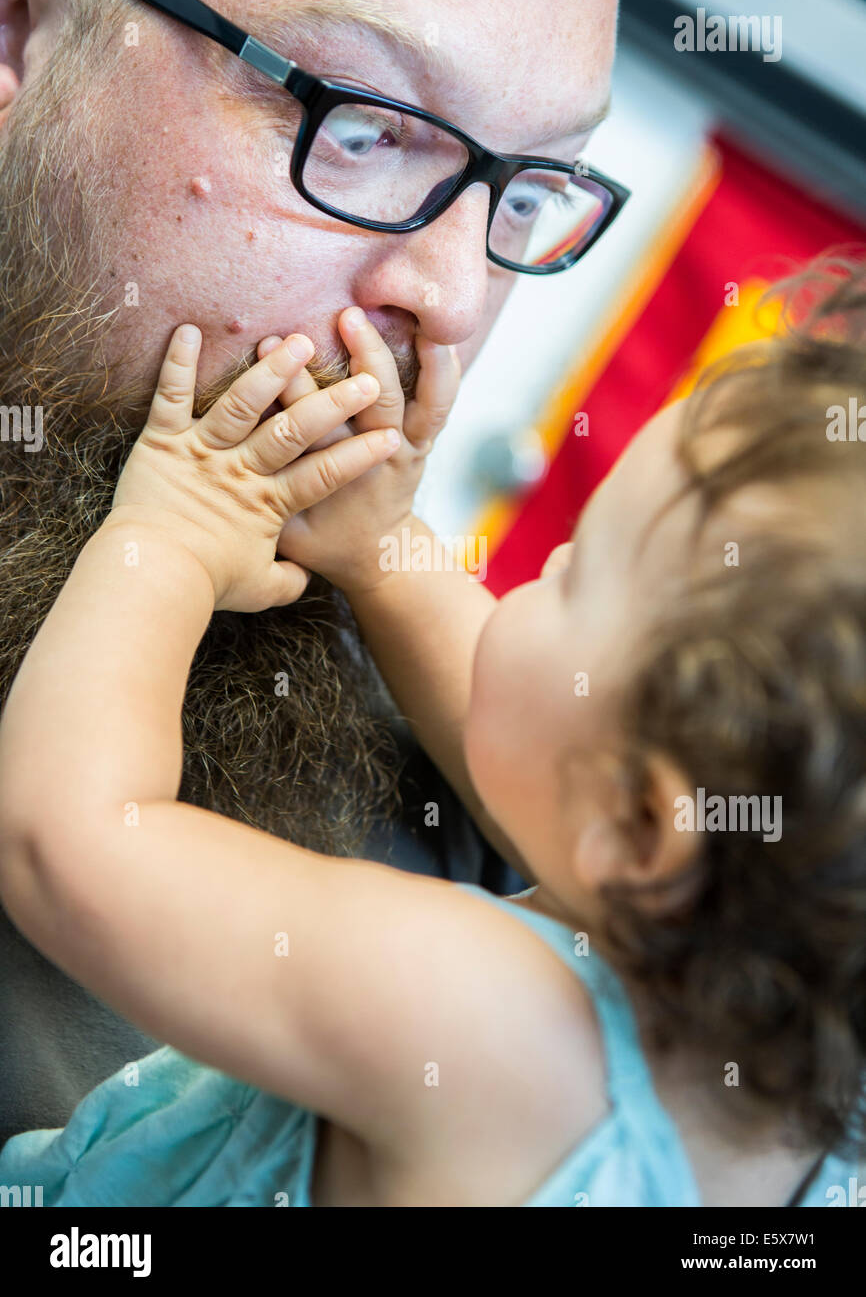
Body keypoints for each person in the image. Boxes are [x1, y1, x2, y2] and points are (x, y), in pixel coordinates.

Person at [1, 260, 864, 1206]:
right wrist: (383, 550)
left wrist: (167, 535)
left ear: (640, 825)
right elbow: (532, 774)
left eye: (577, 575)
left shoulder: (477, 1019)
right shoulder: (806, 1111)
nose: (554, 558)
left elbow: (67, 842)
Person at [0, 0, 624, 1142]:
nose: (448, 301)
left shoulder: (488, 768)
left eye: (527, 187)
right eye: (364, 125)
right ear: (18, 19)